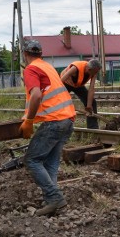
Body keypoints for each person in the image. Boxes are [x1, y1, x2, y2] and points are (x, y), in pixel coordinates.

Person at [19, 40, 77, 216]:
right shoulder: (47, 66)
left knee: (32, 160)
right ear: (40, 53)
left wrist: (29, 121)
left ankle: (54, 198)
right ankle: (52, 202)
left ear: (25, 54)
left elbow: (36, 95)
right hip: (68, 119)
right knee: (50, 163)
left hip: (55, 121)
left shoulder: (31, 69)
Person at [59, 59, 101, 129]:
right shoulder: (75, 68)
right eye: (95, 72)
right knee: (61, 104)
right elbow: (61, 81)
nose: (96, 74)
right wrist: (58, 95)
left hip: (78, 85)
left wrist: (89, 105)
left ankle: (93, 128)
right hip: (65, 84)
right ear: (89, 69)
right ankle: (59, 125)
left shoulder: (94, 71)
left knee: (93, 103)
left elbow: (91, 88)